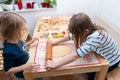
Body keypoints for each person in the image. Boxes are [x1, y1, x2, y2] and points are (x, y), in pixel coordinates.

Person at [45, 13, 120, 80]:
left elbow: (75, 56)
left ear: (86, 31)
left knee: (92, 75)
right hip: (105, 54)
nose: (75, 36)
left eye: (77, 34)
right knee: (89, 69)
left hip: (112, 60)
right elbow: (71, 36)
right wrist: (55, 42)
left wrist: (54, 64)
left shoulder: (95, 37)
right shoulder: (90, 28)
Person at [0, 12, 40, 80]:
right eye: (23, 29)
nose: (25, 30)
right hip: (23, 75)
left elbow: (21, 48)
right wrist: (25, 67)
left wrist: (30, 43)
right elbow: (7, 70)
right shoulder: (8, 51)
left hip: (29, 68)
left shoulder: (18, 39)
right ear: (13, 32)